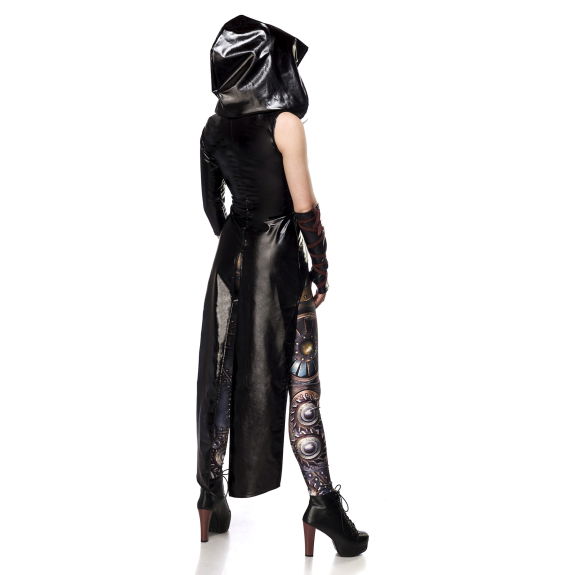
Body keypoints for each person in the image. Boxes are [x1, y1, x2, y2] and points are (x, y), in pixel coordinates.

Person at [195, 14, 369, 557]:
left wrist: (240, 239)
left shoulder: (213, 129)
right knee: (300, 381)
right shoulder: (285, 123)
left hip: (229, 263)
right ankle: (322, 501)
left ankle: (210, 493)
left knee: (221, 373)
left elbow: (214, 210)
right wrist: (321, 265)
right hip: (279, 266)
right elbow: (304, 207)